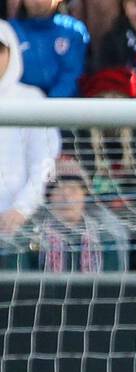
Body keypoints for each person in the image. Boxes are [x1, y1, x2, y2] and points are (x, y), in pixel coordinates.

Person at [0, 19, 60, 246]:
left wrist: (21, 210)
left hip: (22, 227)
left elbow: (44, 163)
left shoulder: (31, 99)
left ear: (12, 51)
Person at [19, 154, 129, 272]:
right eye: (59, 190)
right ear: (49, 197)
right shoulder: (32, 236)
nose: (66, 198)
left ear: (84, 196)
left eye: (73, 189)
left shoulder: (105, 235)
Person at [10, 0, 89, 97]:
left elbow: (72, 74)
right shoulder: (9, 32)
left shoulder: (73, 30)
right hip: (19, 105)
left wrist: (49, 105)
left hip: (65, 107)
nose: (37, 2)